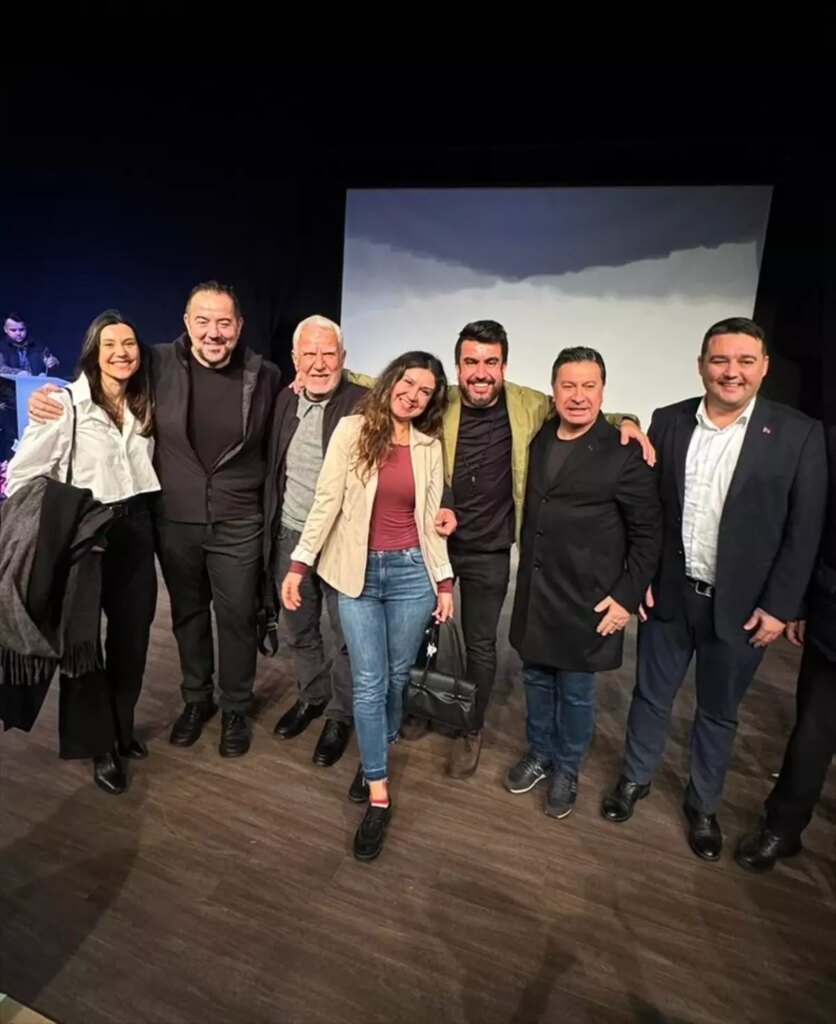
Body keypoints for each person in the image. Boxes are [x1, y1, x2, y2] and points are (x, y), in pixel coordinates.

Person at [601, 317, 828, 861]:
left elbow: (805, 531)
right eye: (720, 360)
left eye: (745, 361)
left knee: (718, 713)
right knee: (650, 696)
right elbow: (651, 512)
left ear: (764, 367)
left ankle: (703, 805)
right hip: (671, 596)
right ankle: (635, 778)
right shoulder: (669, 420)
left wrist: (781, 606)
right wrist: (643, 578)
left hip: (745, 609)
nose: (731, 372)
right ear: (702, 365)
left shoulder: (798, 434)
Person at [25, 282, 282, 758]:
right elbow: (101, 374)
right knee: (185, 616)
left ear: (239, 326)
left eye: (224, 322)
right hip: (169, 521)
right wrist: (47, 397)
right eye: (202, 321)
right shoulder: (158, 361)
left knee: (235, 620)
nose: (213, 332)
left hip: (235, 519)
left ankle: (234, 709)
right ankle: (196, 701)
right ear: (186, 323)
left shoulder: (263, 374)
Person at [393, 319, 653, 780]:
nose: (481, 372)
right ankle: (417, 705)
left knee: (480, 644)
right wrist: (331, 372)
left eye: (491, 362)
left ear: (504, 366)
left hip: (490, 550)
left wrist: (627, 420)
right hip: (434, 542)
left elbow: (583, 407)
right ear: (458, 366)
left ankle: (471, 725)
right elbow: (384, 386)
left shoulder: (528, 404)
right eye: (471, 362)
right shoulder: (441, 400)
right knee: (418, 630)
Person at [281, 351, 454, 862]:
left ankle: (375, 745)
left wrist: (444, 583)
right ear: (391, 380)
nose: (414, 395)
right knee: (369, 681)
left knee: (397, 677)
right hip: (355, 574)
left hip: (412, 576)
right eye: (408, 383)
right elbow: (325, 503)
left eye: (425, 391)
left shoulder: (428, 446)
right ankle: (378, 791)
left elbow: (429, 520)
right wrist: (298, 564)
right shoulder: (352, 430)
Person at [6, 310, 158, 794]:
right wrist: (65, 517)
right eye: (109, 344)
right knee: (83, 647)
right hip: (86, 536)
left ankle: (121, 727)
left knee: (132, 641)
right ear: (92, 351)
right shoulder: (64, 404)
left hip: (136, 528)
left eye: (128, 344)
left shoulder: (144, 403)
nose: (121, 353)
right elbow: (23, 476)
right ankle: (98, 745)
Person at [506, 347, 662, 818]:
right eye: (568, 386)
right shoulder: (538, 438)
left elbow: (648, 533)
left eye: (588, 386)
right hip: (537, 593)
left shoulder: (624, 452)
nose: (578, 396)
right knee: (535, 679)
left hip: (587, 600)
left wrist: (626, 598)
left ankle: (567, 767)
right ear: (553, 390)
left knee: (575, 692)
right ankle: (540, 752)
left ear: (603, 391)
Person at [263, 316, 366, 767]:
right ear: (295, 359)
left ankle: (340, 714)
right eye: (310, 354)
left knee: (347, 635)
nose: (320, 363)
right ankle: (312, 695)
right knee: (298, 628)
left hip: (343, 542)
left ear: (344, 357)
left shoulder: (365, 404)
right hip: (291, 535)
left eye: (329, 354)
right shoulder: (284, 401)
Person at [735, 422, 835, 871]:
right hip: (833, 621)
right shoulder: (830, 440)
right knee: (813, 734)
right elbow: (814, 527)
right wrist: (799, 601)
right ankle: (783, 828)